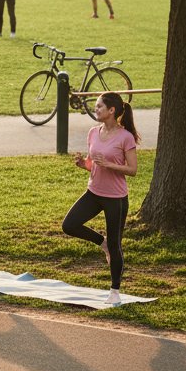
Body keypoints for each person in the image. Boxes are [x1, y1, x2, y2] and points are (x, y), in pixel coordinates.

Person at [62, 92, 140, 304]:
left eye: (99, 107)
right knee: (69, 225)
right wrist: (83, 164)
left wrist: (109, 165)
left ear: (111, 110)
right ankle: (101, 242)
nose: (95, 110)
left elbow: (132, 170)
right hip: (94, 193)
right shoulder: (93, 132)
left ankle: (115, 291)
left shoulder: (125, 137)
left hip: (116, 198)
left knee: (116, 245)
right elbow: (93, 164)